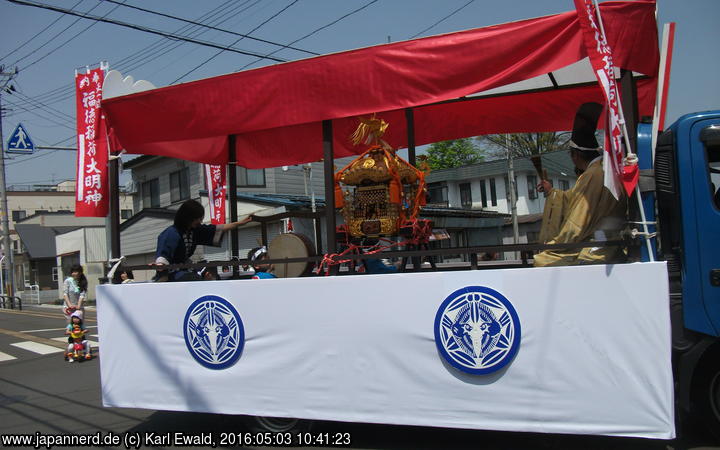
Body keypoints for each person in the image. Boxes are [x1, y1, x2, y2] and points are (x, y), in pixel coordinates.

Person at [533, 102, 627, 267]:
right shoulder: (601, 170)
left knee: (542, 261)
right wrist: (552, 192)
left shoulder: (593, 175)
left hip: (596, 246)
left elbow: (577, 221)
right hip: (608, 241)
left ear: (575, 155)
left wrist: (555, 244)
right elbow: (573, 199)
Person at [154, 199, 251, 281]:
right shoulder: (171, 233)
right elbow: (163, 256)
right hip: (171, 273)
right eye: (198, 219)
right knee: (193, 279)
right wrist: (160, 264)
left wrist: (238, 224)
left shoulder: (195, 231)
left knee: (209, 277)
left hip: (186, 270)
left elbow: (217, 229)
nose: (200, 222)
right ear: (188, 218)